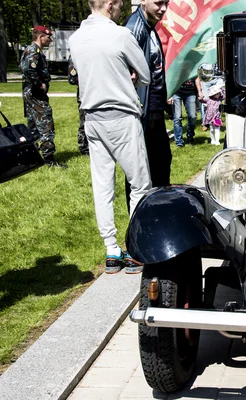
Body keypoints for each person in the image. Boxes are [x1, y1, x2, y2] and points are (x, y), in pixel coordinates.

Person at [69, 0, 152, 274]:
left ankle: (111, 250)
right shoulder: (120, 34)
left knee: (103, 186)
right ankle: (135, 248)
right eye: (118, 6)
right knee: (139, 184)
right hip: (121, 115)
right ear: (110, 5)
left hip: (91, 117)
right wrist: (127, 78)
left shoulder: (76, 39)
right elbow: (145, 75)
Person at [124, 0, 172, 211]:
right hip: (144, 108)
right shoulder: (135, 27)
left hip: (154, 106)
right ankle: (142, 215)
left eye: (166, 3)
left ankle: (158, 208)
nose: (163, 8)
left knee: (161, 161)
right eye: (158, 3)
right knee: (142, 167)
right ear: (143, 1)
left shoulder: (149, 26)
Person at [20, 25, 66, 168]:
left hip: (31, 94)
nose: (50, 40)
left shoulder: (33, 50)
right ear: (40, 37)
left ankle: (32, 157)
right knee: (46, 124)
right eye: (48, 37)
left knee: (33, 126)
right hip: (36, 94)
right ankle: (48, 159)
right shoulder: (34, 51)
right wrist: (40, 84)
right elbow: (28, 69)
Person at [168, 77, 201, 147]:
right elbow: (170, 76)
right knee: (177, 117)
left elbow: (196, 77)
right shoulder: (176, 65)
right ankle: (179, 141)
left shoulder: (192, 65)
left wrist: (199, 91)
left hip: (190, 92)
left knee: (193, 116)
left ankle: (190, 136)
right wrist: (169, 95)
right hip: (176, 92)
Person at [67, 57, 90, 156]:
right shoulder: (75, 55)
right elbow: (72, 78)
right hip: (84, 94)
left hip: (97, 93)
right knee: (84, 122)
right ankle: (84, 147)